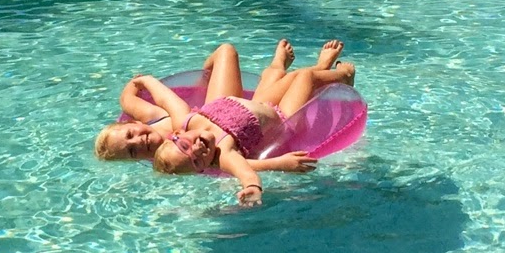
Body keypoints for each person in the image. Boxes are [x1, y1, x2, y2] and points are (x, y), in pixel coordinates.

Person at [143, 40, 354, 207]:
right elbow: (244, 171)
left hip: (259, 104)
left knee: (278, 77)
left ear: (176, 135)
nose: (198, 150)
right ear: (204, 168)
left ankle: (313, 67)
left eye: (185, 146)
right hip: (283, 118)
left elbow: (164, 99)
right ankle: (343, 76)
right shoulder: (223, 152)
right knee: (305, 77)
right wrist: (253, 187)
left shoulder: (186, 120)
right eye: (197, 161)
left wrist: (146, 81)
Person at [94, 40, 323, 172]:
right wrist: (278, 164)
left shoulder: (154, 118)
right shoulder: (177, 161)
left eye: (130, 134)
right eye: (132, 151)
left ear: (132, 123)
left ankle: (280, 67)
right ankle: (308, 68)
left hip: (219, 110)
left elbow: (127, 100)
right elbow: (229, 164)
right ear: (134, 160)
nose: (138, 141)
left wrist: (136, 82)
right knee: (289, 88)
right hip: (242, 135)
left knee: (226, 50)